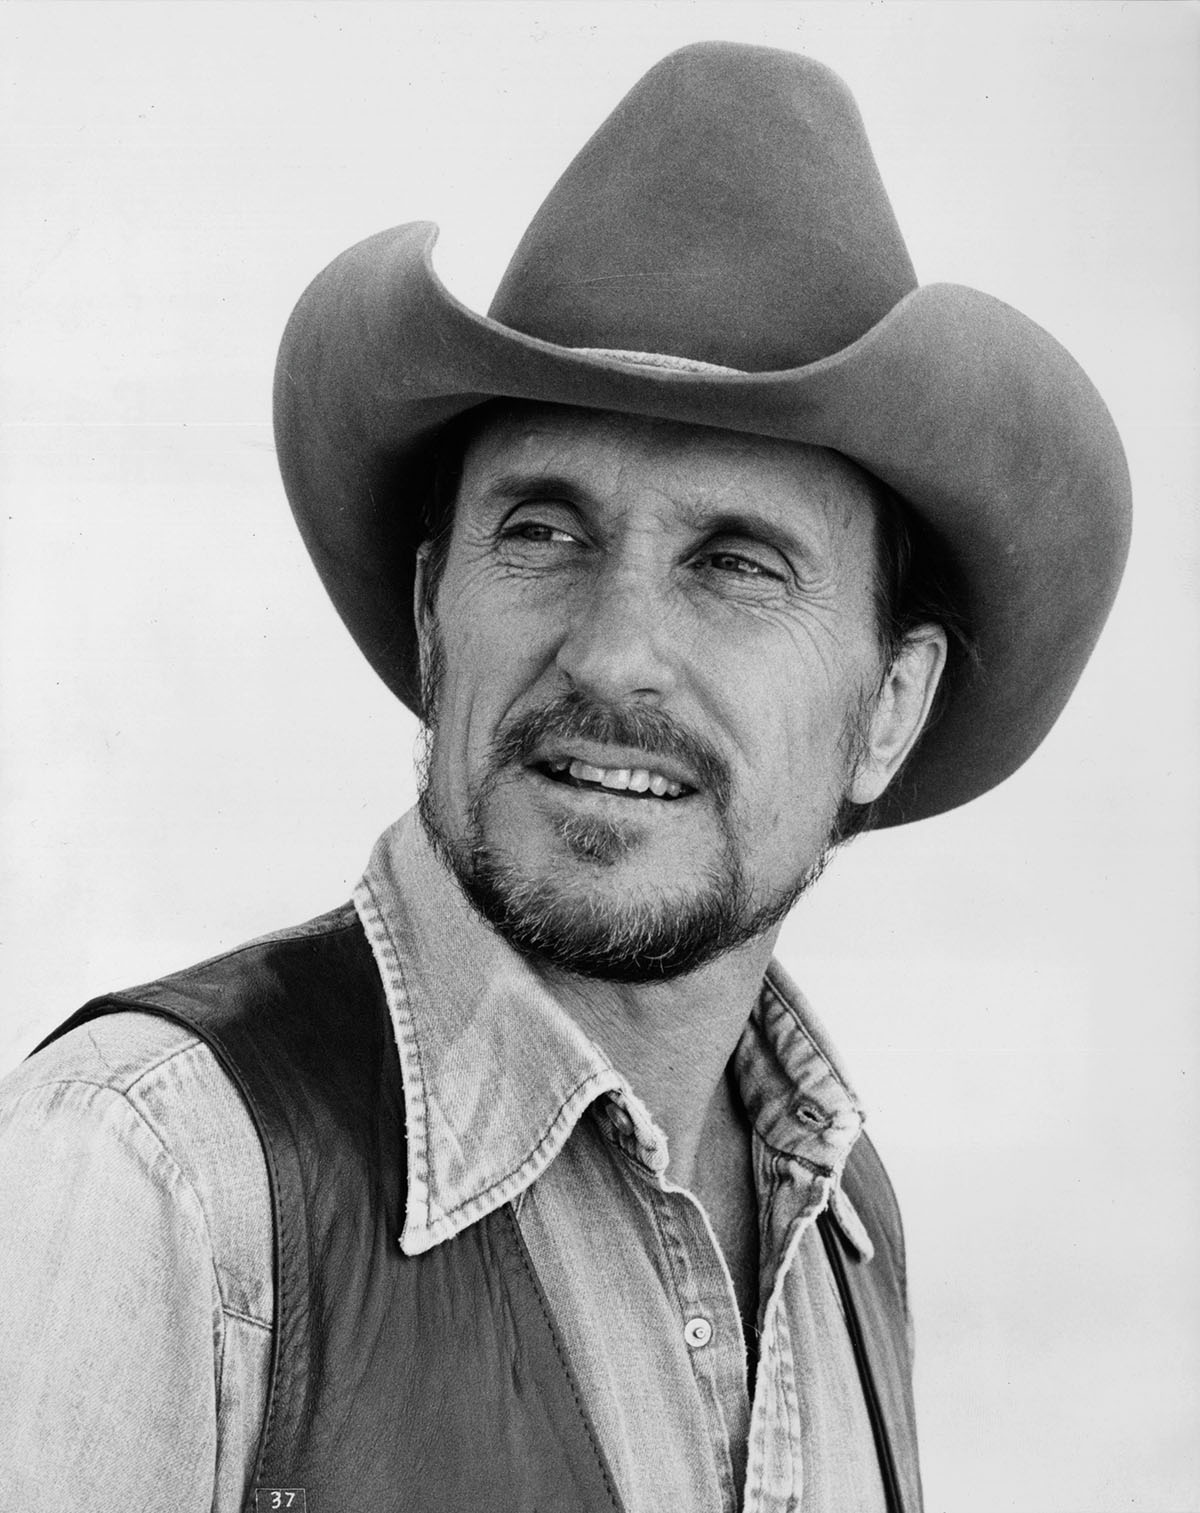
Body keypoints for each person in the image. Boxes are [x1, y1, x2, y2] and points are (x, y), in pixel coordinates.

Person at [0, 40, 1129, 1513]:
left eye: (735, 562)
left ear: (889, 710)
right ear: (430, 611)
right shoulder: (155, 1183)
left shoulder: (842, 1233)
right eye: (543, 529)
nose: (614, 655)